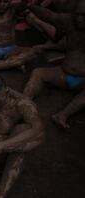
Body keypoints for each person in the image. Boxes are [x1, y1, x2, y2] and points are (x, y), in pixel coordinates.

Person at [24, 1, 85, 129]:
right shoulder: (70, 21)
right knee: (38, 73)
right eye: (77, 15)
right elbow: (50, 16)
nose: (79, 19)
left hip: (83, 81)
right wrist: (30, 5)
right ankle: (24, 103)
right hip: (63, 74)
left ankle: (62, 115)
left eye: (84, 15)